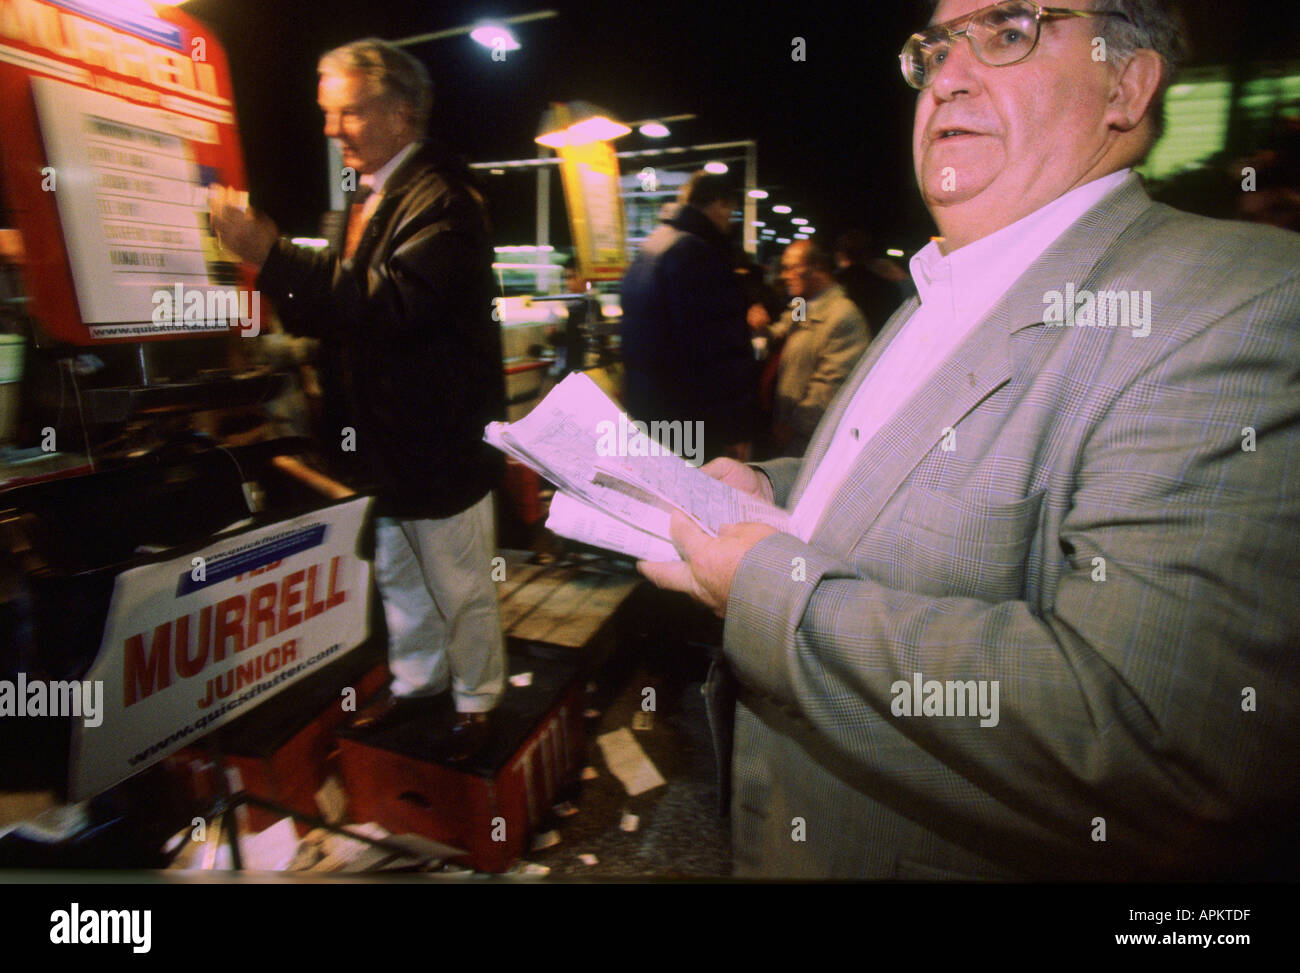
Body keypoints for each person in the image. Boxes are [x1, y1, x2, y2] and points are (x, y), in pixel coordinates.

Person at [640, 0, 1300, 880]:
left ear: (1126, 85)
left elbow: (1151, 745)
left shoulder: (1235, 303)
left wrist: (761, 586)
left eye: (1008, 31)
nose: (946, 75)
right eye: (935, 48)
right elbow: (906, 473)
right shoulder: (941, 281)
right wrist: (776, 491)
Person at [210, 38, 505, 763]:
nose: (330, 128)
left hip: (439, 442)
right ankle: (417, 687)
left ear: (401, 115)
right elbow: (338, 313)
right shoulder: (369, 196)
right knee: (403, 576)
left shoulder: (446, 201)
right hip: (386, 440)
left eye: (348, 112)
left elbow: (390, 304)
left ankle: (479, 702)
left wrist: (272, 254)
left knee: (460, 581)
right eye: (326, 113)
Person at [620, 172, 758, 462]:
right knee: (695, 503)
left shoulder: (652, 245)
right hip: (690, 419)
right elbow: (719, 352)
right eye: (731, 212)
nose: (729, 222)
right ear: (719, 205)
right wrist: (733, 430)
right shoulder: (698, 254)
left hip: (649, 413)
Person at [758, 240, 870, 457]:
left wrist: (793, 428)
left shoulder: (843, 316)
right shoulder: (802, 304)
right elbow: (783, 331)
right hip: (782, 426)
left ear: (816, 268)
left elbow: (830, 387)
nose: (784, 275)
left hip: (806, 441)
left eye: (791, 267)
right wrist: (763, 329)